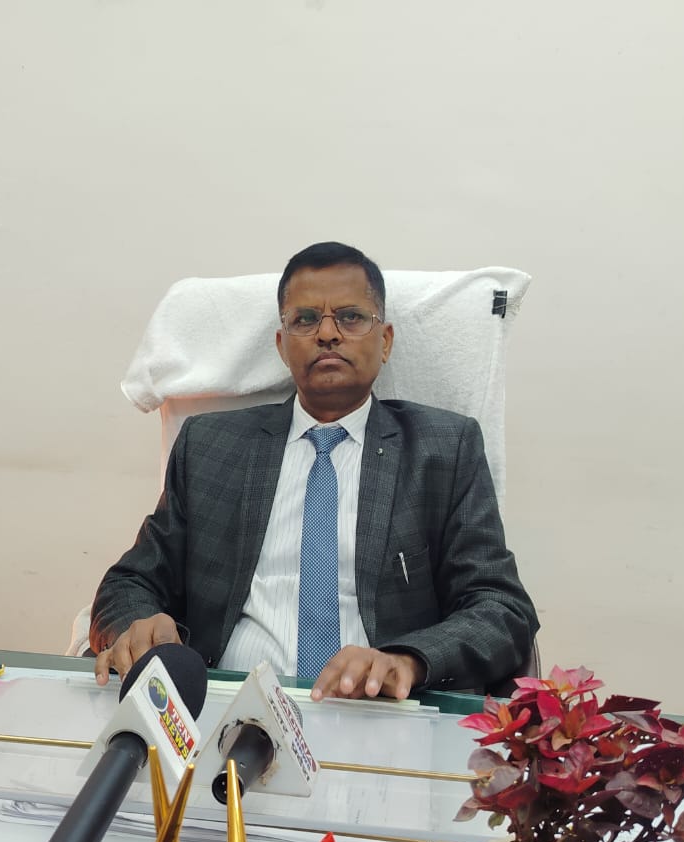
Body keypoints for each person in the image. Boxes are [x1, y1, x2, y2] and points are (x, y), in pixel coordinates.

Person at [90, 241, 538, 701]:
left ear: (385, 341)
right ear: (282, 346)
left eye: (351, 317)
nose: (327, 334)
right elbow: (130, 582)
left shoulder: (443, 449)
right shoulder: (211, 446)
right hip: (225, 705)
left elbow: (501, 608)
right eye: (305, 320)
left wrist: (408, 660)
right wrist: (138, 627)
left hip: (376, 709)